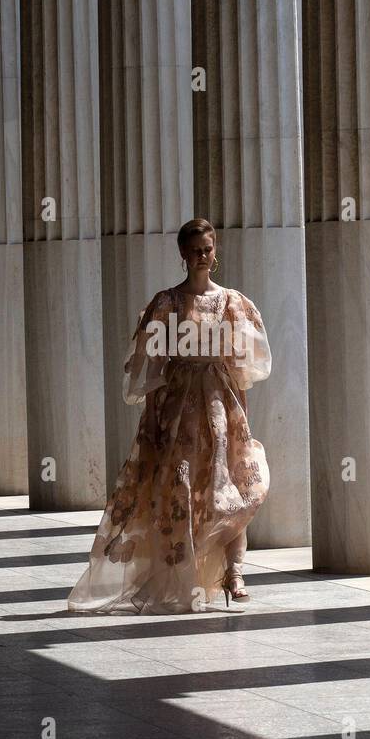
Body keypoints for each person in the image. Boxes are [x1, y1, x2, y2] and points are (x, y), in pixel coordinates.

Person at [68, 218, 272, 614]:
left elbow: (238, 365)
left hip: (219, 403)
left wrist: (241, 415)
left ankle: (235, 571)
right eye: (194, 249)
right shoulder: (167, 303)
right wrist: (155, 419)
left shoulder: (232, 303)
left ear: (216, 252)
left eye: (207, 249)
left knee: (233, 485)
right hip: (177, 407)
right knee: (180, 491)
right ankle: (181, 574)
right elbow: (151, 363)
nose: (201, 256)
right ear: (182, 253)